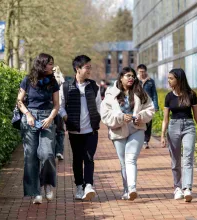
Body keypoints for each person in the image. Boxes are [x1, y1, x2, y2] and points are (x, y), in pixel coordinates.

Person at [101, 67, 155, 201]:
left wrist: (141, 116)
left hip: (136, 129)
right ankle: (126, 189)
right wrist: (120, 118)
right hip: (118, 130)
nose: (131, 78)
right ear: (120, 77)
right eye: (127, 75)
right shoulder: (111, 93)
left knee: (130, 159)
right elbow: (105, 114)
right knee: (123, 162)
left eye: (133, 76)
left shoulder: (140, 92)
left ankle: (132, 188)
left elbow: (150, 108)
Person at [17, 53, 60, 204]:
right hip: (30, 119)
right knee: (30, 157)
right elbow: (19, 101)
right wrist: (28, 115)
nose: (52, 66)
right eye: (49, 64)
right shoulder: (27, 80)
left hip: (47, 118)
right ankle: (35, 192)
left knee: (47, 153)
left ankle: (47, 184)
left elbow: (56, 105)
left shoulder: (53, 81)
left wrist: (50, 118)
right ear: (41, 65)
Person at [58, 55, 102, 201]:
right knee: (77, 159)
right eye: (87, 67)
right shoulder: (65, 87)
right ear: (78, 68)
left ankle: (89, 185)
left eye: (90, 67)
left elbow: (98, 106)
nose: (89, 70)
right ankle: (79, 186)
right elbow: (60, 106)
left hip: (91, 131)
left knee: (89, 158)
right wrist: (65, 117)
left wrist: (97, 118)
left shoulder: (94, 87)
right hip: (74, 130)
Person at [160, 68, 197, 202]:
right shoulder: (169, 97)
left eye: (171, 78)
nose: (168, 81)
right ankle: (177, 188)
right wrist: (162, 135)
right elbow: (165, 119)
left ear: (179, 79)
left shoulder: (191, 95)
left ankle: (187, 188)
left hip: (189, 127)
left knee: (188, 158)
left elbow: (196, 115)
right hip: (173, 127)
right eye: (168, 78)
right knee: (175, 160)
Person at [137, 64, 159, 149]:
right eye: (140, 72)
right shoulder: (135, 81)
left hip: (148, 105)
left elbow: (154, 94)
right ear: (137, 71)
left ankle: (146, 141)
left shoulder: (150, 81)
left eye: (143, 71)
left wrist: (155, 106)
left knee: (148, 123)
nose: (142, 73)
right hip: (138, 105)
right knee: (138, 121)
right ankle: (139, 140)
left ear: (146, 71)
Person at [53, 66, 65, 160]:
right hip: (59, 110)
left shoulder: (47, 80)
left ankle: (52, 151)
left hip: (50, 110)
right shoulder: (61, 80)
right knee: (60, 132)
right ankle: (59, 151)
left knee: (51, 131)